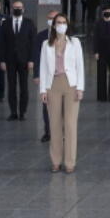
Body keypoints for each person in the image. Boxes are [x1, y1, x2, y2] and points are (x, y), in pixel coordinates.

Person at [39, 14, 85, 173]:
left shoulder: (75, 42)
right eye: (58, 22)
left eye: (64, 22)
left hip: (71, 84)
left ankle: (70, 162)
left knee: (71, 125)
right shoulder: (46, 44)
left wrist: (80, 88)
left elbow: (80, 66)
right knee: (55, 124)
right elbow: (43, 67)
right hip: (53, 85)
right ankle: (56, 161)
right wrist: (43, 90)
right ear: (53, 25)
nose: (61, 25)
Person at [0, 1, 36, 121]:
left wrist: (31, 59)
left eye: (19, 7)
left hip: (24, 60)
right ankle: (13, 112)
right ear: (11, 9)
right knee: (11, 87)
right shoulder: (5, 24)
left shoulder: (29, 23)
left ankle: (23, 112)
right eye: (15, 7)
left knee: (24, 87)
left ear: (23, 9)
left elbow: (33, 43)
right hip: (9, 60)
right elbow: (2, 43)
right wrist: (2, 60)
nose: (17, 9)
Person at [33, 10, 57, 143]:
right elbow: (37, 56)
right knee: (46, 104)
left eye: (54, 18)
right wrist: (36, 74)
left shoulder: (68, 37)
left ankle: (61, 133)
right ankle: (48, 131)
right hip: (46, 77)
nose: (51, 21)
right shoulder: (41, 36)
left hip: (62, 77)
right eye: (49, 18)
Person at [91, 6, 110, 102]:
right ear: (102, 12)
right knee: (101, 74)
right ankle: (101, 96)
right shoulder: (98, 23)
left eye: (109, 11)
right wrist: (95, 51)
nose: (107, 13)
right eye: (105, 11)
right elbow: (95, 38)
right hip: (101, 51)